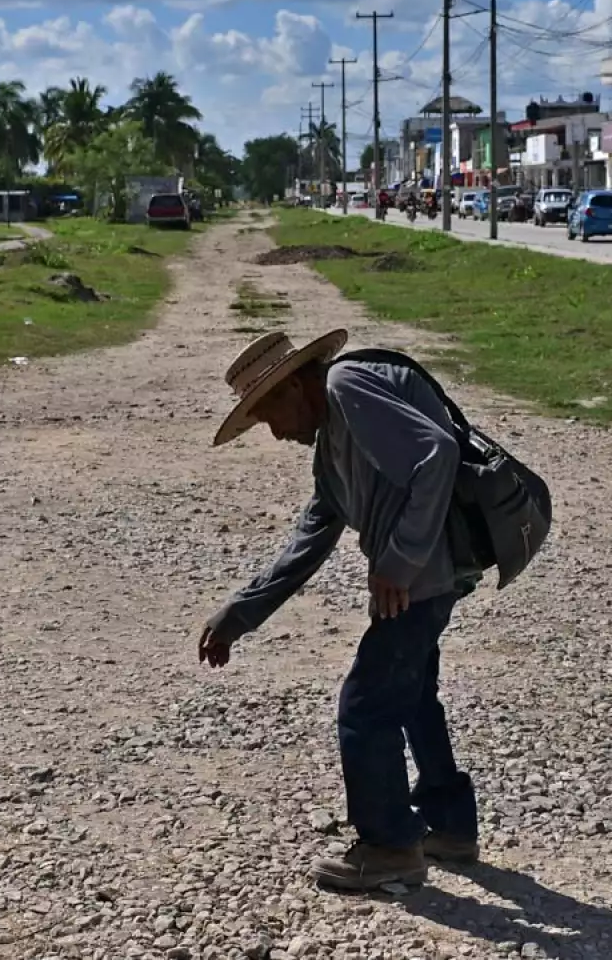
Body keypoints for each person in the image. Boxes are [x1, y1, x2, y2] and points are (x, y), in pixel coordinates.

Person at [201, 329, 481, 891]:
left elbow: (438, 453)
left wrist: (398, 561)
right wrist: (241, 612)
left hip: (421, 577)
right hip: (425, 575)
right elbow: (313, 534)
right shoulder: (332, 441)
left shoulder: (346, 384)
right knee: (411, 695)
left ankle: (389, 846)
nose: (276, 433)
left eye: (270, 413)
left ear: (298, 385)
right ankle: (449, 826)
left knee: (366, 705)